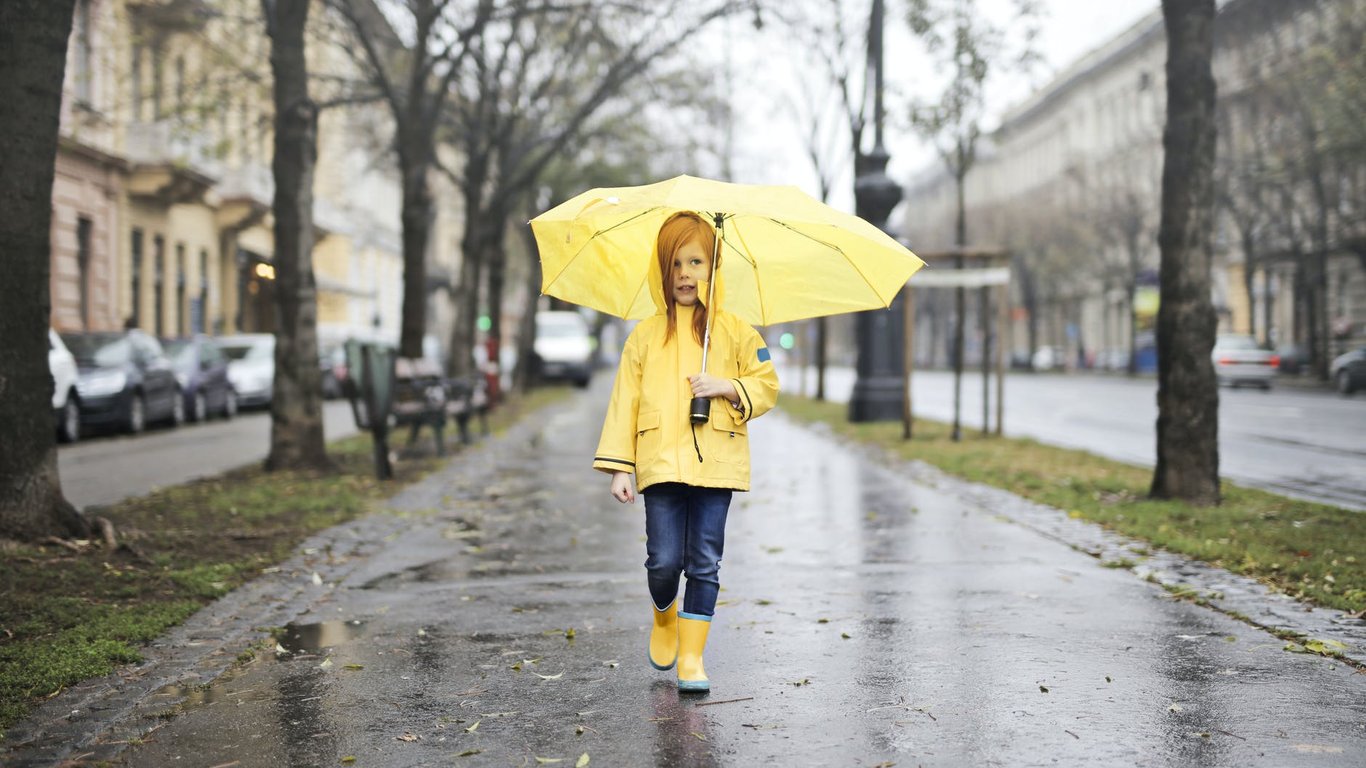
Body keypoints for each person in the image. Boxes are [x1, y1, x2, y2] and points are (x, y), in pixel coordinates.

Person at [593, 211, 780, 692]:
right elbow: (624, 402)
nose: (685, 274)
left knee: (703, 561)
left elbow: (767, 384)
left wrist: (727, 385)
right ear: (663, 271)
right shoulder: (645, 335)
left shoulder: (736, 331)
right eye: (675, 264)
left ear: (713, 269)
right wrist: (620, 467)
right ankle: (663, 616)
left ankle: (692, 659)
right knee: (663, 560)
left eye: (696, 262)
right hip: (660, 463)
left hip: (717, 462)